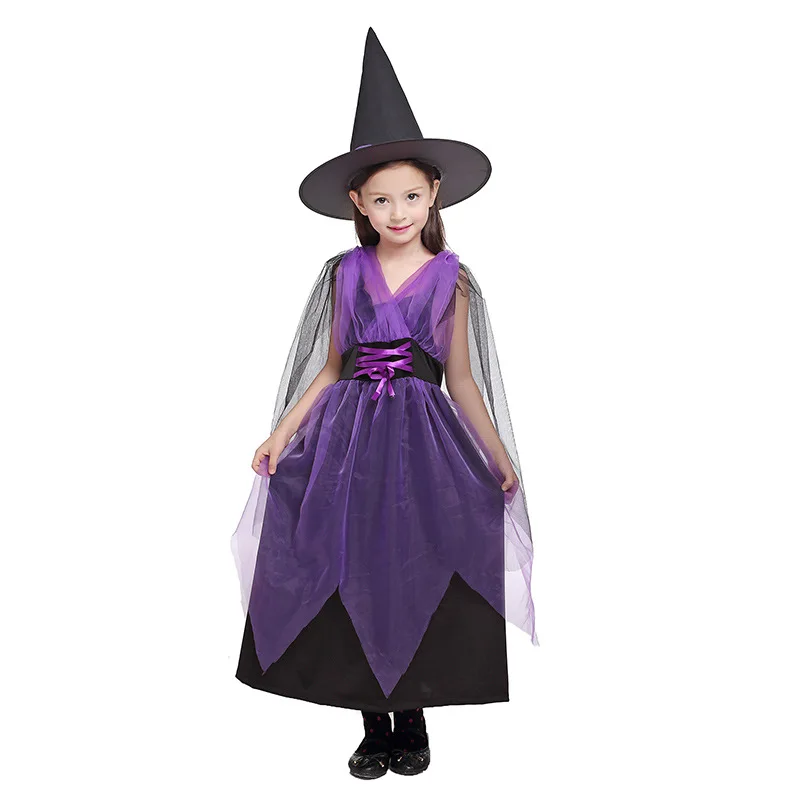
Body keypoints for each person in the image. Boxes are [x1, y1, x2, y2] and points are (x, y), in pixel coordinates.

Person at [230, 27, 539, 779]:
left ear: (434, 193)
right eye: (381, 199)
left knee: (417, 565)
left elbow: (462, 380)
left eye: (411, 196)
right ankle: (373, 725)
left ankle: (416, 717)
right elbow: (330, 367)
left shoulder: (453, 281)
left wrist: (499, 457)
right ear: (358, 204)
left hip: (424, 448)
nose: (397, 211)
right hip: (346, 447)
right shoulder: (344, 274)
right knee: (349, 566)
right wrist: (280, 434)